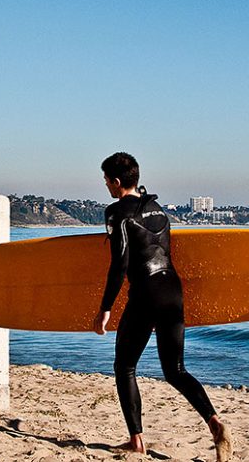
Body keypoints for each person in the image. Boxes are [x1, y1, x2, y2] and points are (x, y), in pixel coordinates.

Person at [92, 151, 232, 460]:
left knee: (125, 366)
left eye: (105, 180)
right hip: (172, 290)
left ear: (116, 182)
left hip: (145, 293)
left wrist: (104, 309)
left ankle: (136, 441)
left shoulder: (116, 213)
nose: (105, 185)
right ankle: (214, 421)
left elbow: (119, 265)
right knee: (176, 370)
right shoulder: (157, 209)